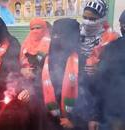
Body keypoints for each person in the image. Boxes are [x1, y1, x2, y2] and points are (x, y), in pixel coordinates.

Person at [78, 0, 119, 130]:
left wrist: (99, 69)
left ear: (101, 18)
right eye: (85, 17)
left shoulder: (112, 38)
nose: (87, 22)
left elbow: (115, 71)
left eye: (92, 18)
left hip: (100, 95)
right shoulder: (77, 34)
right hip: (79, 92)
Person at [42, 18, 86, 130]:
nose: (57, 38)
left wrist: (75, 122)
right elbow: (39, 88)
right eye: (55, 34)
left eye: (62, 34)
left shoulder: (82, 62)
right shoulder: (47, 59)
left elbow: (88, 96)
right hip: (49, 121)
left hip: (73, 122)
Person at [87, 10, 125, 130]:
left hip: (114, 118)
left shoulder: (113, 48)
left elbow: (100, 83)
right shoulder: (112, 48)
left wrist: (95, 116)